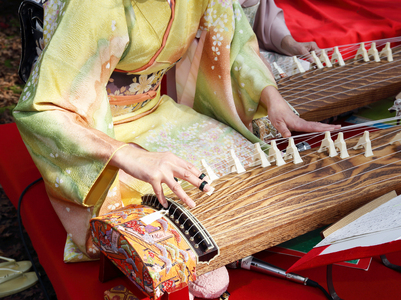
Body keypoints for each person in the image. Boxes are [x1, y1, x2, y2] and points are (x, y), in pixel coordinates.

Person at [14, 0, 338, 296]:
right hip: (100, 127)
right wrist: (128, 155)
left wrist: (272, 99)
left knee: (267, 178)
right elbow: (45, 108)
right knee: (188, 252)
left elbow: (231, 45)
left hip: (160, 112)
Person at [239, 0, 321, 77]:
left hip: (252, 51)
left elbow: (264, 14)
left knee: (305, 70)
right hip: (230, 55)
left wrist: (289, 43)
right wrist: (247, 52)